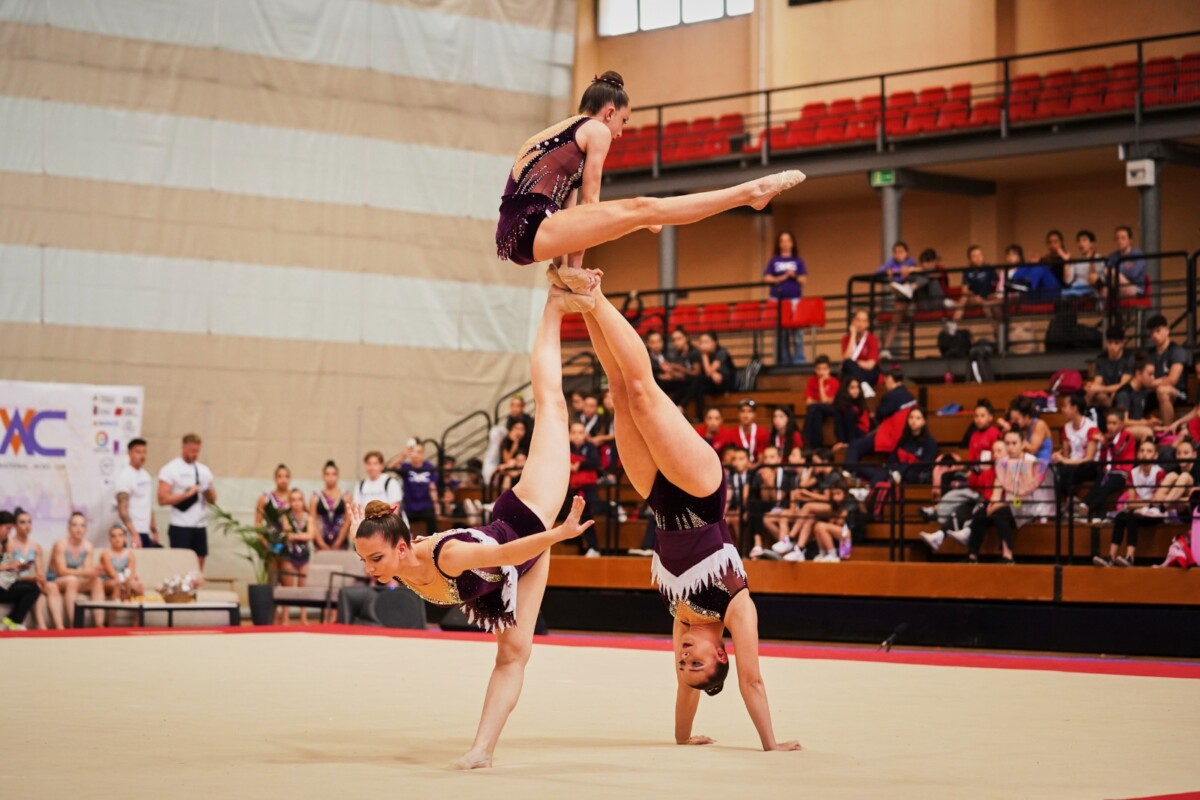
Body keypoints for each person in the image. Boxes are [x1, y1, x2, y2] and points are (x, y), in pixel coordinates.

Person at [350, 286, 588, 769]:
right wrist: (364, 524)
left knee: (553, 407)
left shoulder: (448, 556)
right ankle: (482, 750)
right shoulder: (398, 551)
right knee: (513, 655)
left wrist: (558, 534)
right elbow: (385, 534)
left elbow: (506, 555)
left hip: (529, 518)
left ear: (400, 547)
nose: (371, 569)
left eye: (376, 558)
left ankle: (554, 306)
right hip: (520, 559)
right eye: (365, 561)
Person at [571, 274, 801, 754]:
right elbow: (752, 681)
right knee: (640, 391)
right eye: (695, 663)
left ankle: (582, 301)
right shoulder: (737, 607)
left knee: (617, 390)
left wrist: (682, 737)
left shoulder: (683, 619)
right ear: (721, 652)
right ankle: (597, 295)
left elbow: (684, 692)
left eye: (682, 664)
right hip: (700, 493)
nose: (683, 659)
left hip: (659, 499)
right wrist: (770, 744)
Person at [495, 70, 805, 292]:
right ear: (609, 112)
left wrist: (568, 269)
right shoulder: (597, 130)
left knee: (641, 214)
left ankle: (745, 195)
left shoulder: (566, 132)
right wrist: (574, 270)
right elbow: (591, 205)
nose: (620, 132)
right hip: (530, 225)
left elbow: (573, 214)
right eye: (623, 122)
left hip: (525, 231)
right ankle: (751, 191)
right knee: (646, 207)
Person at [966, 430, 1052, 564]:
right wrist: (993, 502)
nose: (1010, 447)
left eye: (1014, 443)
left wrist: (1001, 505)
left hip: (1026, 504)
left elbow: (1025, 493)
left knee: (1000, 513)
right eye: (1007, 443)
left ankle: (1008, 555)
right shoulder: (1003, 462)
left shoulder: (1031, 462)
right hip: (1009, 502)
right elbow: (998, 485)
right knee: (981, 513)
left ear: (1023, 444)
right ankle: (972, 556)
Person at [1095, 438, 1163, 567]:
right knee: (1120, 517)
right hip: (1138, 510)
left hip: (1155, 513)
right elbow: (1131, 502)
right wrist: (1145, 502)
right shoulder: (1133, 472)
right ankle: (1111, 557)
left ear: (1155, 455)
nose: (1144, 454)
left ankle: (1130, 557)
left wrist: (1142, 503)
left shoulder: (1159, 473)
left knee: (1131, 517)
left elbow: (1156, 501)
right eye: (1142, 450)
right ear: (1137, 454)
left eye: (1149, 451)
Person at [156, 433, 217, 569]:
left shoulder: (203, 470)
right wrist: (186, 494)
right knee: (180, 564)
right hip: (180, 524)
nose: (194, 454)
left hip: (200, 524)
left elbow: (213, 500)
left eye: (197, 451)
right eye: (191, 451)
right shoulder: (170, 469)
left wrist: (207, 490)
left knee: (198, 563)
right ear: (183, 448)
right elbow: (162, 499)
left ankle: (197, 587)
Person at [44, 512, 106, 628]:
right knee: (72, 580)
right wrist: (85, 572)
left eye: (82, 525)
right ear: (68, 528)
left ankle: (99, 624)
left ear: (86, 529)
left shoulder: (88, 546)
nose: (79, 529)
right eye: (75, 525)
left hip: (74, 579)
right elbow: (61, 571)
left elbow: (86, 570)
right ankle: (75, 624)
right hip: (55, 580)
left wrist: (95, 571)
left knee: (97, 581)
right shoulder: (61, 544)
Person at [881, 247, 947, 356]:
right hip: (921, 303)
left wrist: (913, 270)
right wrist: (900, 273)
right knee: (899, 308)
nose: (925, 265)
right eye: (923, 263)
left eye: (928, 263)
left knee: (928, 276)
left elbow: (933, 273)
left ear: (933, 262)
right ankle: (886, 349)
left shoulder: (937, 270)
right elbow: (881, 271)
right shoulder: (917, 272)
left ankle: (909, 288)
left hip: (936, 301)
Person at [1077, 407, 1137, 525]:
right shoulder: (1107, 437)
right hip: (1108, 471)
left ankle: (1089, 509)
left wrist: (1105, 442)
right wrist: (1104, 445)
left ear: (1121, 424)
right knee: (1097, 485)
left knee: (1106, 488)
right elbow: (1104, 457)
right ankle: (1085, 505)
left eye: (1114, 423)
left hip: (1122, 473)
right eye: (1108, 423)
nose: (1110, 426)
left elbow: (1118, 451)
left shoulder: (1127, 436)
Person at [763, 231, 808, 365]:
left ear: (792, 243)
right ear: (779, 243)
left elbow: (804, 280)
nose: (785, 243)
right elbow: (766, 277)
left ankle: (799, 359)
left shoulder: (798, 261)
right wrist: (781, 277)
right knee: (781, 333)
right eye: (782, 241)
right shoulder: (774, 260)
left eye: (788, 240)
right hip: (778, 300)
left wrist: (793, 275)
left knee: (798, 332)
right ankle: (783, 360)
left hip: (794, 300)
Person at [1052, 392, 1102, 504]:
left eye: (1065, 406)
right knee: (1054, 470)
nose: (1062, 409)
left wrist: (1065, 460)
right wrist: (1058, 456)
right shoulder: (1066, 427)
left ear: (1074, 408)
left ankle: (1069, 503)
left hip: (1088, 465)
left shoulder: (1091, 427)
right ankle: (1067, 503)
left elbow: (1089, 458)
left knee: (1067, 472)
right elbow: (1065, 454)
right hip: (1071, 463)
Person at [566, 420, 603, 558]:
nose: (576, 436)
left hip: (588, 486)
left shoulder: (590, 447)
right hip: (572, 488)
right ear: (569, 434)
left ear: (585, 434)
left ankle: (613, 507)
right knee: (579, 517)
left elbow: (595, 462)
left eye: (580, 432)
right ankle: (591, 547)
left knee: (594, 510)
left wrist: (578, 466)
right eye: (574, 432)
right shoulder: (565, 447)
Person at [3, 509, 45, 629]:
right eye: (22, 522)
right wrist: (12, 567)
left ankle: (36, 623)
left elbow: (40, 572)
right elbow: (7, 573)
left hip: (20, 580)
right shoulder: (8, 543)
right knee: (33, 587)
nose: (27, 526)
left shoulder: (36, 546)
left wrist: (37, 577)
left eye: (29, 522)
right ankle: (19, 622)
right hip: (10, 581)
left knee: (36, 585)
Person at [1145, 313, 1189, 426]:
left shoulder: (1176, 351)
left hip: (1178, 393)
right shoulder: (1149, 354)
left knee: (1162, 390)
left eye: (1158, 331)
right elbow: (1142, 379)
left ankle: (1167, 430)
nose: (1154, 335)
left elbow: (1172, 380)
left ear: (1167, 330)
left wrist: (1152, 383)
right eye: (1151, 333)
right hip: (1152, 393)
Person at [278, 488, 314, 624]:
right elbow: (287, 534)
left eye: (299, 499)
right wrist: (299, 536)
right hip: (289, 554)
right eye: (293, 500)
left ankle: (303, 618)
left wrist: (295, 536)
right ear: (290, 502)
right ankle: (285, 618)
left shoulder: (308, 517)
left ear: (303, 501)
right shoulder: (286, 517)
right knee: (288, 587)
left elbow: (310, 535)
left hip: (304, 555)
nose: (297, 503)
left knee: (302, 587)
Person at [949, 244, 1000, 337]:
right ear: (970, 259)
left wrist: (992, 295)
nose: (978, 258)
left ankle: (996, 329)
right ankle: (953, 325)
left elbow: (997, 284)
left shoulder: (989, 268)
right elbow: (964, 290)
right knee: (963, 298)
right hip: (974, 297)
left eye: (980, 255)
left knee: (988, 304)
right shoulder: (968, 271)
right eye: (975, 256)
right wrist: (973, 295)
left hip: (987, 296)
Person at [115, 438, 158, 548]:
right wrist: (134, 534)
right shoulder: (125, 476)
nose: (142, 456)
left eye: (144, 452)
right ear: (129, 453)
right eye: (138, 452)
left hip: (145, 531)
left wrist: (154, 530)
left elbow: (148, 504)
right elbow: (122, 510)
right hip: (131, 532)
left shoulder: (146, 475)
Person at [1086, 327, 1134, 410]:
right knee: (1091, 391)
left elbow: (1123, 385)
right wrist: (1093, 387)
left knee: (1122, 395)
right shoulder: (1101, 358)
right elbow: (1098, 381)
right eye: (1110, 342)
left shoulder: (1128, 358)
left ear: (1122, 344)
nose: (1112, 346)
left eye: (1116, 343)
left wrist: (1102, 388)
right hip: (1107, 393)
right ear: (1106, 343)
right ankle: (1085, 417)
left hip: (1123, 392)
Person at [399, 443, 441, 537]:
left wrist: (436, 505)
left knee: (433, 525)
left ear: (423, 454)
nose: (416, 454)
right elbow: (389, 467)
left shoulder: (429, 467)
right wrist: (403, 455)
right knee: (400, 524)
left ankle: (433, 545)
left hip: (426, 505)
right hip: (409, 507)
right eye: (413, 451)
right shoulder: (406, 467)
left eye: (419, 452)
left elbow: (432, 486)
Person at [999, 395, 1054, 466]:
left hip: (1042, 465)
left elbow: (1032, 450)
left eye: (1016, 419)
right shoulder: (1020, 427)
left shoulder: (1039, 425)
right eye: (1011, 419)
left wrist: (1013, 431)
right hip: (1024, 465)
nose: (1013, 422)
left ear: (1027, 416)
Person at [352, 450, 403, 522]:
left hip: (388, 525)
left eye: (375, 463)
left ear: (381, 466)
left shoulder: (391, 483)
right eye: (369, 463)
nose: (372, 467)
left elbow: (394, 511)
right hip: (367, 526)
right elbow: (357, 509)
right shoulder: (360, 485)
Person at [664, 327, 703, 420]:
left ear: (686, 338)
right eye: (674, 340)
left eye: (679, 338)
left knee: (696, 382)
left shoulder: (694, 352)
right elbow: (681, 376)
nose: (676, 342)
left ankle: (682, 406)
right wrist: (671, 372)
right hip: (685, 383)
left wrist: (681, 368)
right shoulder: (677, 355)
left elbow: (696, 373)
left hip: (699, 382)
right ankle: (671, 408)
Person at [840, 308, 881, 396]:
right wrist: (853, 336)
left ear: (867, 324)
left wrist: (854, 363)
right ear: (853, 321)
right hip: (852, 374)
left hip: (868, 373)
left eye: (863, 321)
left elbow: (870, 365)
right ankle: (863, 385)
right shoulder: (846, 339)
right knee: (847, 365)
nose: (860, 324)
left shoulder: (872, 339)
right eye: (858, 320)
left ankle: (863, 384)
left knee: (851, 366)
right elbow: (846, 359)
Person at [800, 355, 839, 448]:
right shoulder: (811, 381)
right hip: (817, 410)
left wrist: (820, 383)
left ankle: (804, 439)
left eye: (824, 369)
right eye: (819, 369)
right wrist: (817, 403)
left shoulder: (834, 382)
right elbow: (808, 402)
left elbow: (826, 401)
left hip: (831, 409)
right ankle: (817, 446)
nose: (822, 372)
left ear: (829, 369)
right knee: (817, 413)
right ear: (815, 370)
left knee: (814, 408)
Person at [311, 460, 349, 552]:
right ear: (323, 476)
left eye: (333, 474)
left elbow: (348, 520)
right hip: (320, 542)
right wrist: (321, 543)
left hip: (341, 543)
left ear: (338, 476)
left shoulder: (346, 495)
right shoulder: (316, 496)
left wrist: (338, 542)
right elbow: (312, 521)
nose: (330, 477)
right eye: (327, 474)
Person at [99, 525, 143, 603]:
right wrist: (125, 583)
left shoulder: (130, 554)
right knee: (118, 584)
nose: (117, 539)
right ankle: (111, 614)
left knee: (138, 585)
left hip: (124, 580)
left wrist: (129, 582)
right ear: (110, 539)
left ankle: (138, 614)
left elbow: (131, 573)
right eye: (114, 536)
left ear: (125, 539)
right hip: (109, 581)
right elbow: (112, 574)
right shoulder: (105, 554)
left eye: (120, 535)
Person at [1102, 225, 1147, 299]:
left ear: (1130, 240)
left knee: (1114, 275)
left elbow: (1133, 273)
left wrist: (1114, 271)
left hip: (1136, 289)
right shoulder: (1112, 256)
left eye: (1123, 238)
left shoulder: (1138, 254)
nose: (1119, 241)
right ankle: (1102, 308)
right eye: (1117, 238)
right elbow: (1105, 272)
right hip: (1115, 287)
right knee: (1104, 286)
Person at [830, 377, 871, 449]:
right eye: (852, 388)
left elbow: (864, 425)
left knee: (850, 413)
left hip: (861, 434)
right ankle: (843, 443)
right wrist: (841, 441)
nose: (856, 390)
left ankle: (849, 443)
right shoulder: (841, 404)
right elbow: (838, 424)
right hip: (847, 435)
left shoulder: (860, 402)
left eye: (857, 387)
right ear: (846, 389)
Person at [697, 331, 736, 403]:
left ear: (715, 342)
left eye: (706, 342)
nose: (703, 345)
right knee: (696, 383)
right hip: (712, 380)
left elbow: (709, 371)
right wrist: (713, 374)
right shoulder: (698, 354)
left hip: (726, 381)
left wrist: (704, 355)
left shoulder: (722, 352)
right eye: (701, 342)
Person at [1063, 229, 1103, 297]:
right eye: (1079, 241)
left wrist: (1092, 259)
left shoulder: (1099, 258)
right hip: (1077, 288)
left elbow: (1094, 278)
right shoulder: (1076, 261)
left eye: (1084, 240)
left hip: (1091, 289)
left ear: (1091, 244)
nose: (1081, 243)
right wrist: (1066, 262)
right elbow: (1068, 280)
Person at [255, 463, 292, 532]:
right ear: (274, 478)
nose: (283, 480)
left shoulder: (295, 497)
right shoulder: (265, 498)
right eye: (279, 476)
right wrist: (263, 540)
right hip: (272, 538)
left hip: (293, 539)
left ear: (290, 478)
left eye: (286, 476)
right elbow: (258, 523)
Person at [733, 399, 769, 466]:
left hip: (757, 470)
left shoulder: (762, 433)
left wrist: (752, 467)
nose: (746, 415)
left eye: (749, 411)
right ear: (738, 414)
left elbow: (762, 458)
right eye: (743, 411)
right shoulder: (732, 434)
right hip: (738, 468)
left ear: (755, 414)